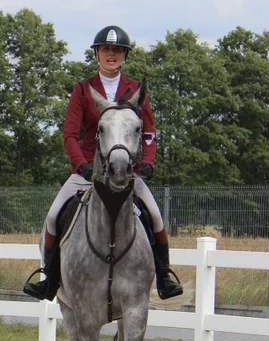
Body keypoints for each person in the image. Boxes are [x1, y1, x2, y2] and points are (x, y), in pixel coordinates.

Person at [22, 25, 183, 302]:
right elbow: (70, 134)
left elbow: (148, 132)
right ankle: (49, 279)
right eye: (106, 49)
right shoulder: (83, 89)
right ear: (97, 53)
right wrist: (81, 163)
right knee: (52, 218)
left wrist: (148, 162)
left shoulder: (136, 89)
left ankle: (164, 277)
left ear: (124, 55)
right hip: (88, 171)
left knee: (155, 216)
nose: (112, 54)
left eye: (117, 50)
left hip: (127, 171)